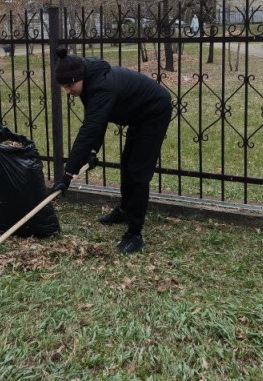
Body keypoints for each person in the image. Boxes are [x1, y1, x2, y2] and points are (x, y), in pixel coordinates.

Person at [50, 45, 172, 254]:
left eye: (69, 86)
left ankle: (135, 234)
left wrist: (68, 173)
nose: (68, 92)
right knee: (127, 163)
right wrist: (93, 151)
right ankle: (125, 210)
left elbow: (89, 130)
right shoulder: (87, 79)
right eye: (64, 87)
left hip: (154, 111)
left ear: (80, 77)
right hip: (138, 114)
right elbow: (97, 119)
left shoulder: (101, 86)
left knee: (138, 172)